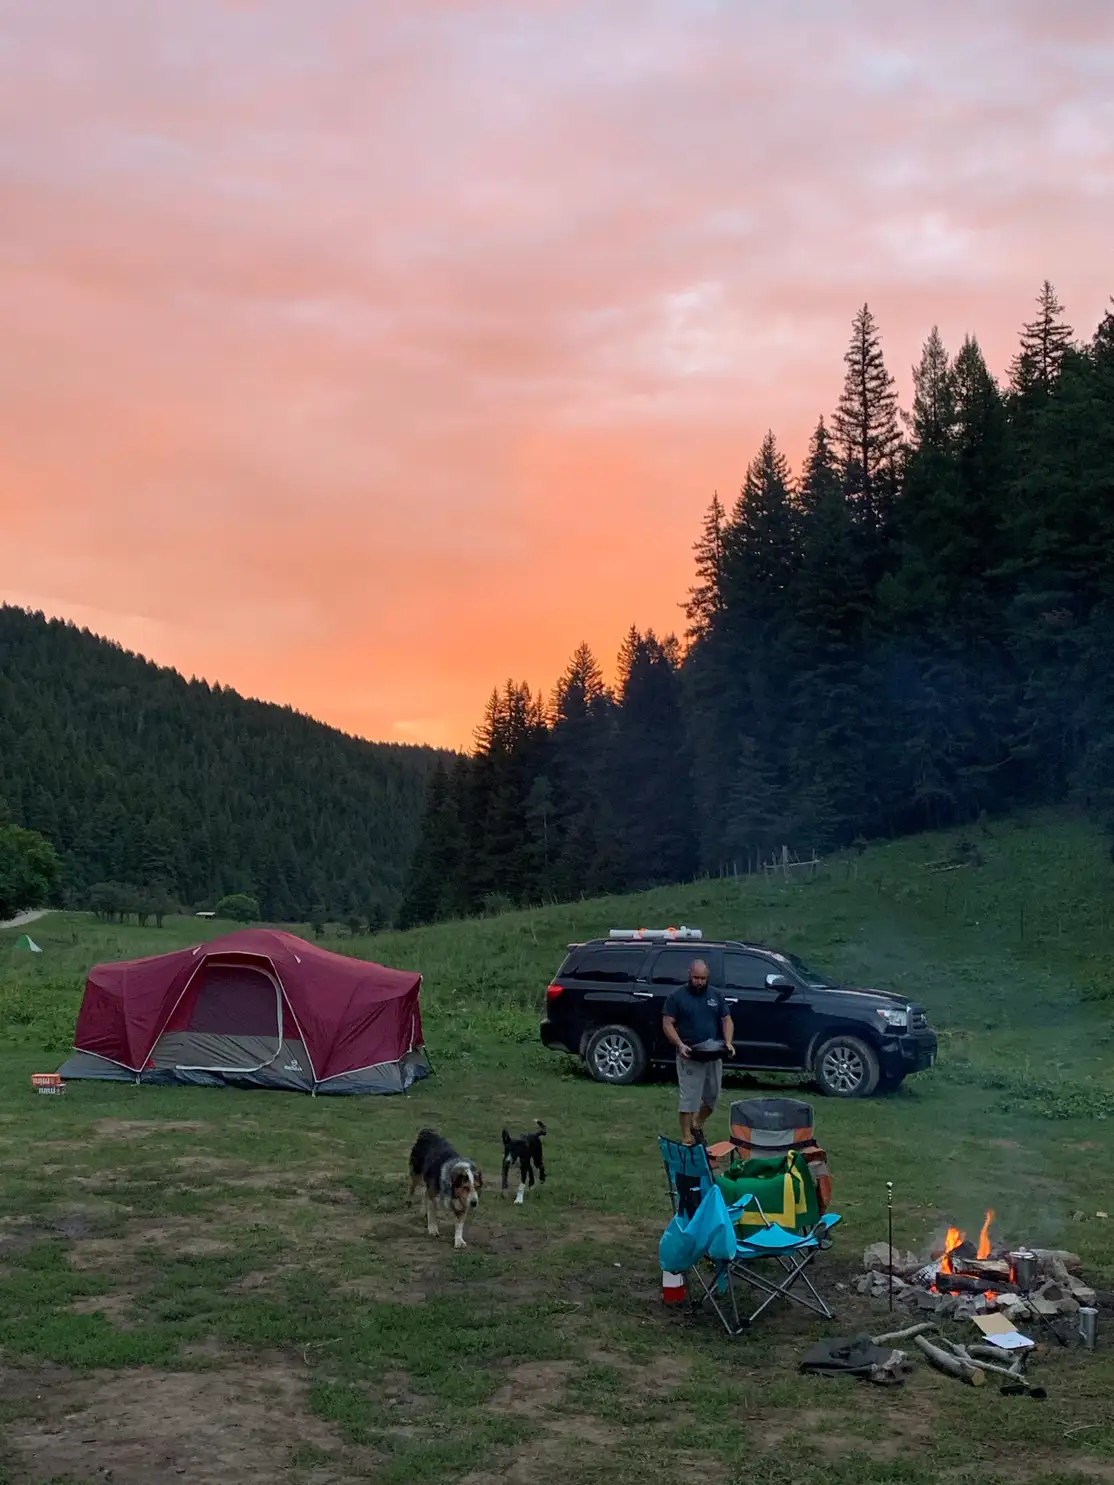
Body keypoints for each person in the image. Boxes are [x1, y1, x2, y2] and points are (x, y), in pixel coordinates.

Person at [662, 959, 735, 1145]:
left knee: (712, 1098)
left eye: (703, 978)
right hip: (690, 1053)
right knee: (689, 1099)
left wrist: (728, 1042)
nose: (699, 982)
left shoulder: (715, 995)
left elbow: (727, 1019)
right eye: (696, 978)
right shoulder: (677, 997)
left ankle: (697, 1123)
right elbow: (667, 1023)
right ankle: (686, 1136)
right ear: (689, 975)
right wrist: (679, 1044)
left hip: (712, 1053)